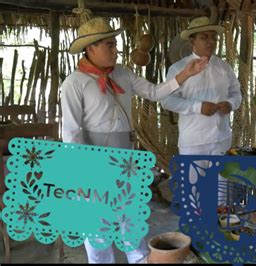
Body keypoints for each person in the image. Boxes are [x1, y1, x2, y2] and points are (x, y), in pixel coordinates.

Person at [60, 17, 207, 263]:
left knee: (131, 214)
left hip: (126, 157)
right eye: (109, 45)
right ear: (91, 48)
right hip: (93, 162)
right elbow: (72, 132)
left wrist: (184, 75)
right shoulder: (75, 83)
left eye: (115, 44)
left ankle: (138, 258)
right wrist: (80, 174)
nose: (115, 49)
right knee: (98, 222)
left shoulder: (123, 74)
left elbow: (154, 92)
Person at [161, 16, 242, 208]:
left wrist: (230, 104)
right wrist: (197, 107)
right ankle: (194, 234)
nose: (211, 42)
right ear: (192, 41)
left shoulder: (224, 67)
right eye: (205, 37)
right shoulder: (179, 69)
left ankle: (219, 231)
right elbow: (166, 100)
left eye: (213, 37)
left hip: (221, 139)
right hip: (193, 141)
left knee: (221, 192)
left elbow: (237, 93)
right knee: (193, 192)